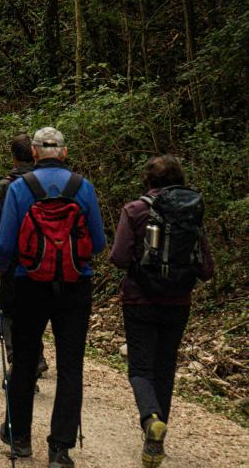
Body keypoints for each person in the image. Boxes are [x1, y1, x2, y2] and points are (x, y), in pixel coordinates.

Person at [0, 127, 107, 468]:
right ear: (63, 151)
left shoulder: (19, 188)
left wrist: (3, 271)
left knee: (26, 359)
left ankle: (19, 437)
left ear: (33, 152)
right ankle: (60, 447)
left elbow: (6, 244)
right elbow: (98, 243)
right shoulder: (82, 187)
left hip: (28, 283)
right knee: (70, 365)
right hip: (75, 284)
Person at [109, 155, 214, 468]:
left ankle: (151, 418)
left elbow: (118, 257)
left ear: (148, 181)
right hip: (179, 301)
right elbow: (206, 267)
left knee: (141, 369)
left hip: (139, 300)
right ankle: (155, 444)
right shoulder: (192, 210)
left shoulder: (135, 209)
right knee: (165, 367)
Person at [0, 134, 43, 370]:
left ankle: (19, 359)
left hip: (14, 261)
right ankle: (37, 356)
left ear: (13, 157)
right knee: (35, 311)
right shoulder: (49, 185)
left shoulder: (5, 187)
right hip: (46, 260)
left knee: (9, 312)